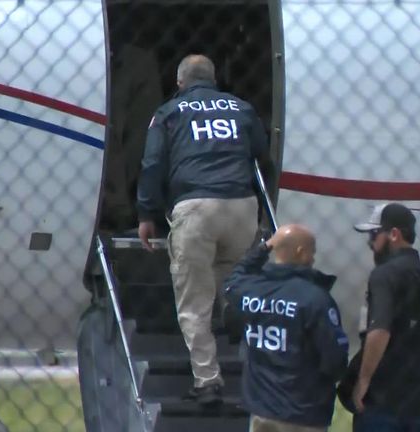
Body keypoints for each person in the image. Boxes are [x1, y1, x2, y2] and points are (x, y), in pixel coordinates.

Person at [136, 54, 275, 406]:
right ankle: (244, 339)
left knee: (194, 301)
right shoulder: (241, 109)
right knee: (238, 285)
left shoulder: (169, 113)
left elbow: (152, 164)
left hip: (195, 207)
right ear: (214, 79)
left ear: (179, 81)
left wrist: (146, 212)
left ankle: (208, 381)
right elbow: (263, 158)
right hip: (241, 206)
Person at [342, 203, 420, 432]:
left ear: (394, 234)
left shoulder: (384, 276)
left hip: (382, 406)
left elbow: (380, 329)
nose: (370, 243)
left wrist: (363, 380)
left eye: (374, 234)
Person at [224, 224, 349, 432]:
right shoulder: (314, 299)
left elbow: (233, 280)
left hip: (262, 409)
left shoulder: (250, 292)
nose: (314, 259)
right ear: (301, 252)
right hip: (304, 412)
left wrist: (265, 248)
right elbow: (334, 360)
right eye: (312, 252)